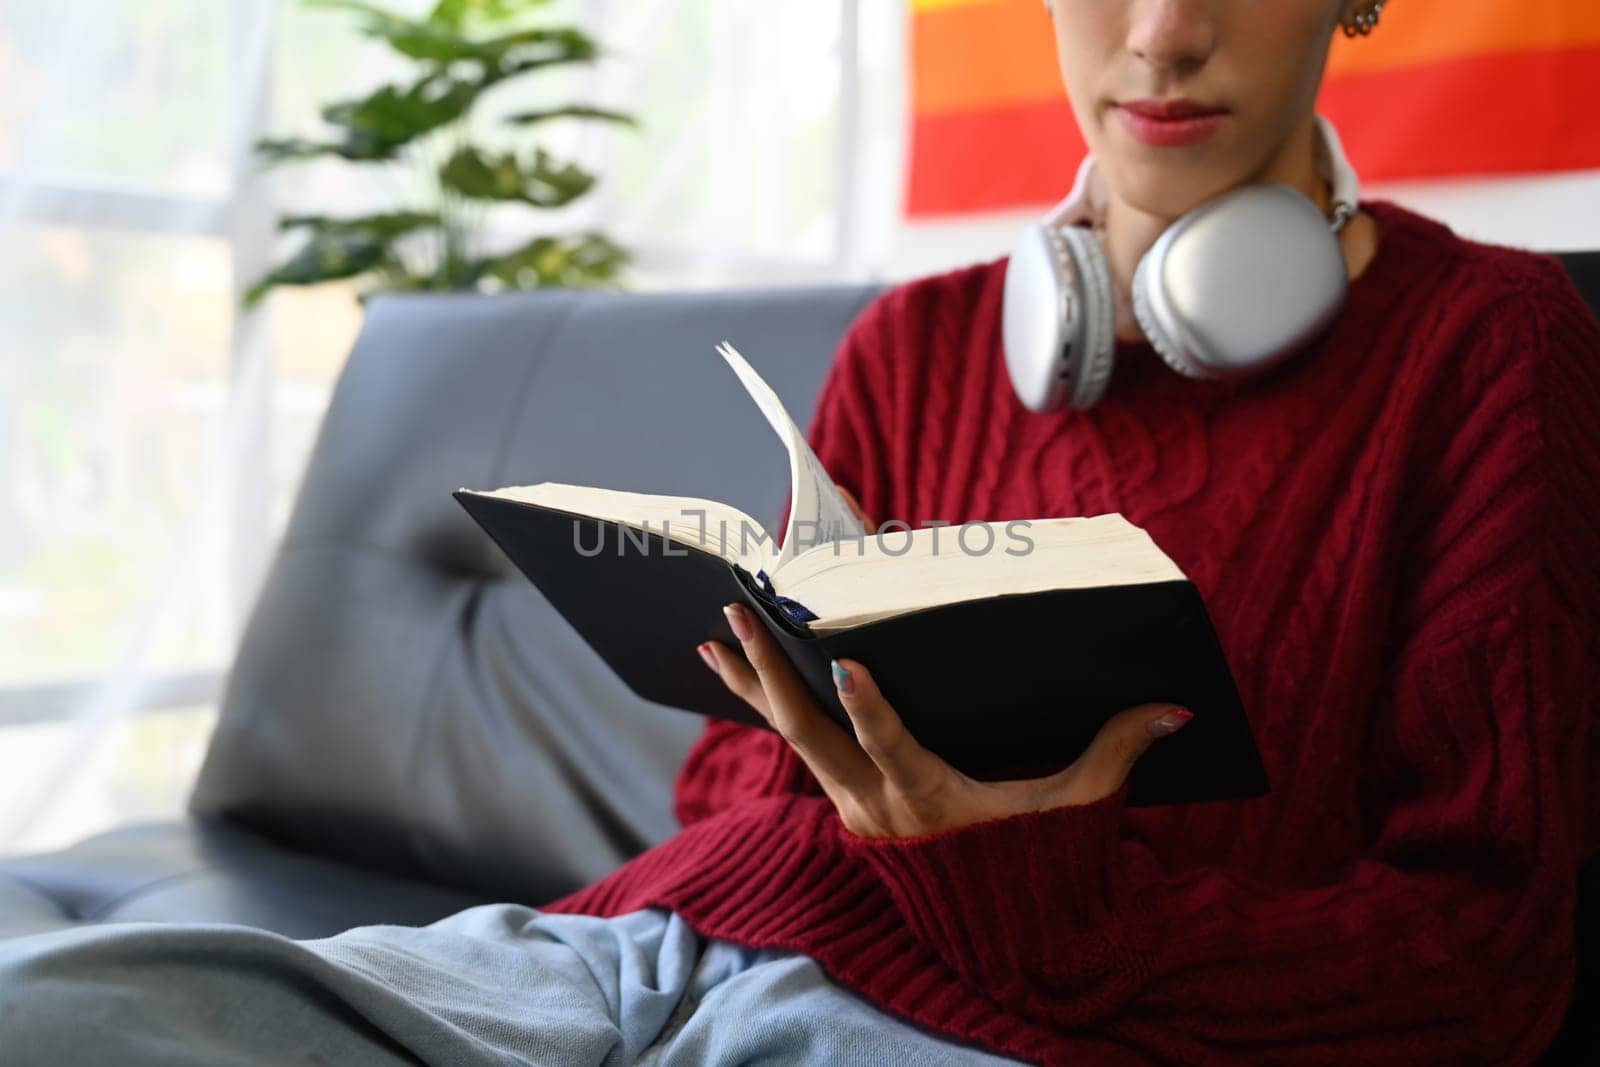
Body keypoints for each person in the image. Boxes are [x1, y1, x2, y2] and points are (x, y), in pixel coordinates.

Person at [1, 1, 1595, 1064]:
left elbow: (1487, 963)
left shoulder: (1491, 347)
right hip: (631, 954)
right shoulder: (920, 341)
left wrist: (1039, 894)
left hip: (986, 1037)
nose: (1163, 35)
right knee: (64, 1016)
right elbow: (741, 793)